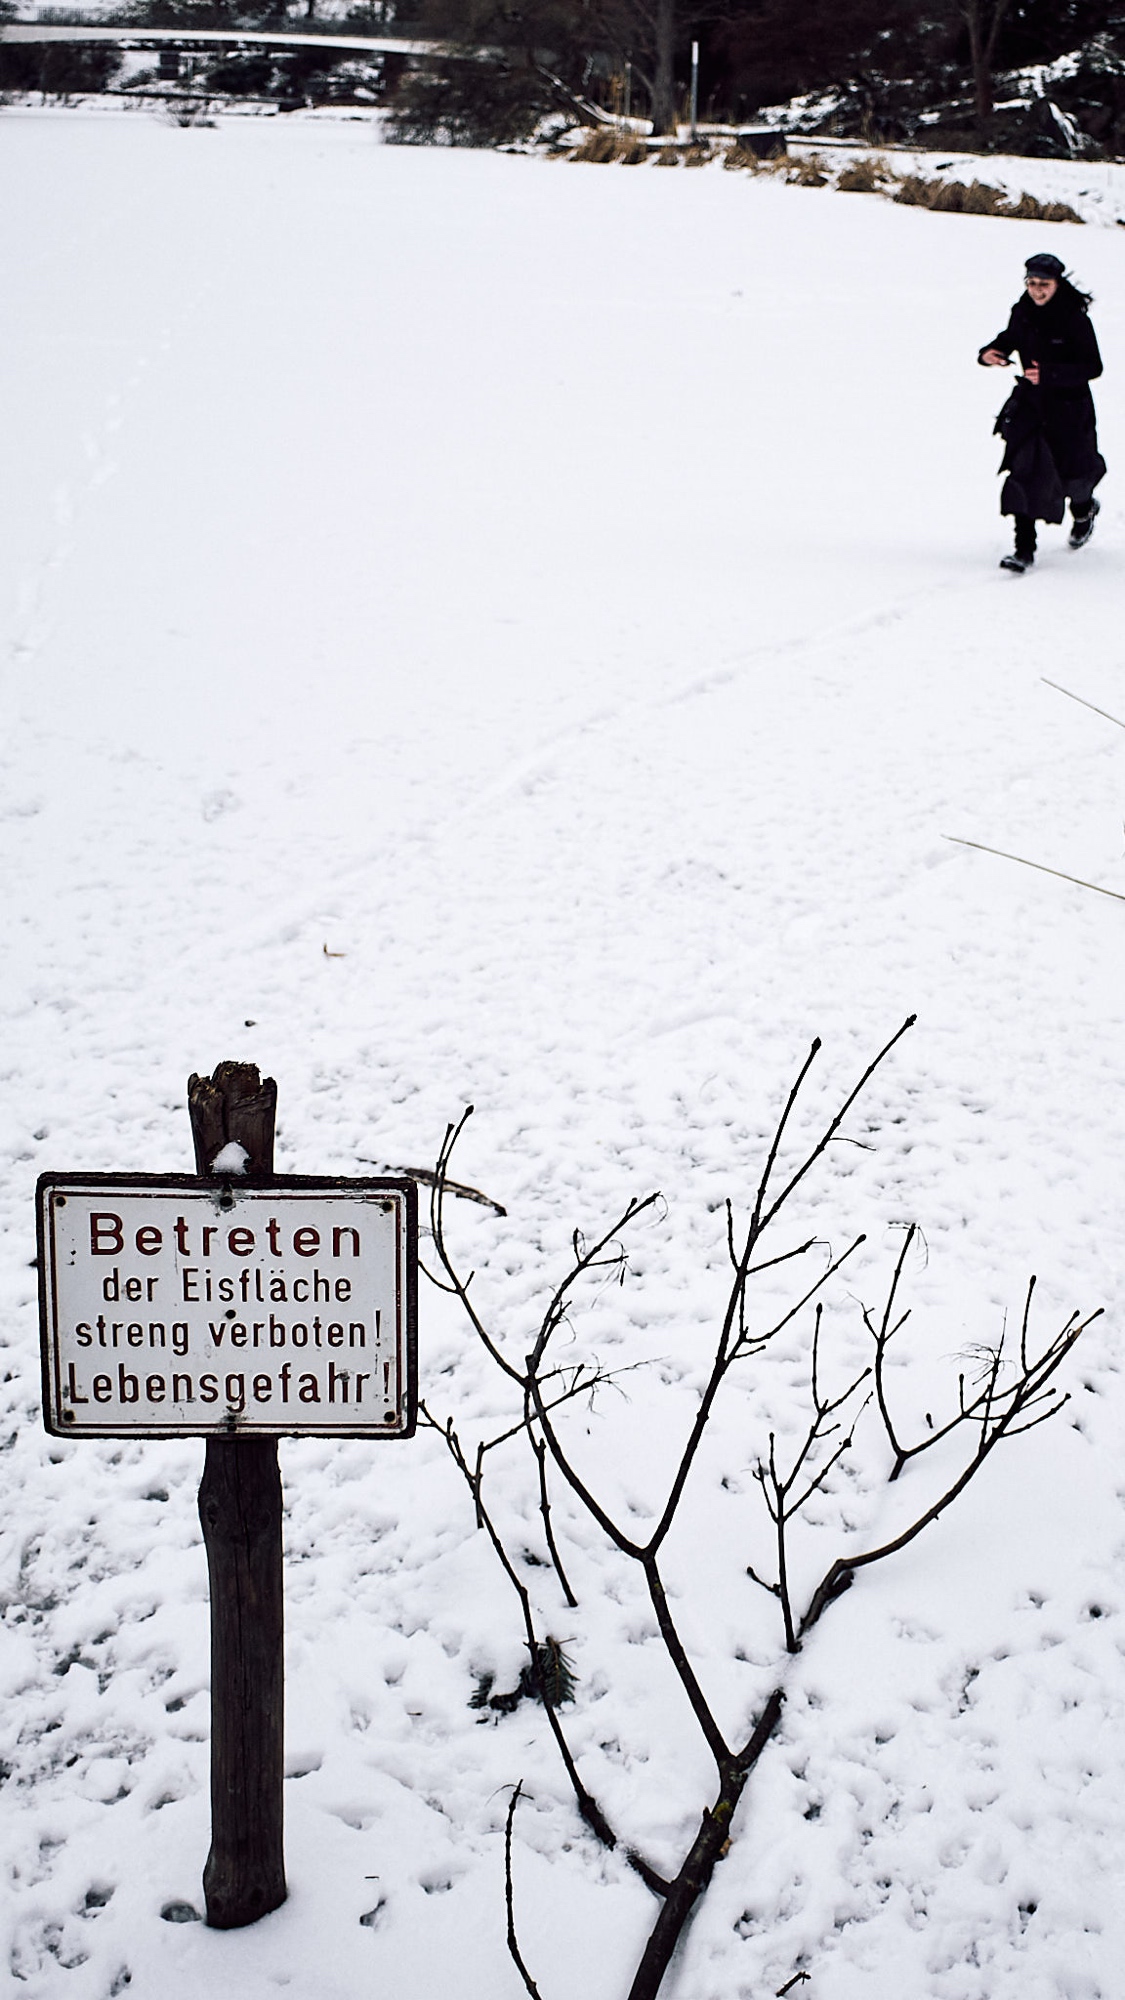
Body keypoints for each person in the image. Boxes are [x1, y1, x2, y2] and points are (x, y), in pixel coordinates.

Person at [979, 251, 1106, 573]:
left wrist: (1050, 374)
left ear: (1057, 283)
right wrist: (991, 352)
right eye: (1032, 283)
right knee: (1023, 471)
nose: (1036, 290)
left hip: (1070, 411)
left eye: (1043, 284)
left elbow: (1093, 366)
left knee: (1075, 478)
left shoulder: (1075, 319)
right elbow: (1011, 337)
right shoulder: (1022, 311)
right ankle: (1023, 550)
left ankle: (1084, 511)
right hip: (1031, 407)